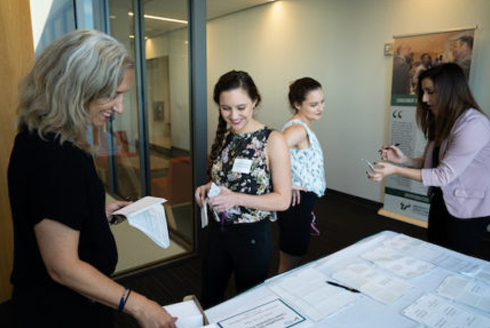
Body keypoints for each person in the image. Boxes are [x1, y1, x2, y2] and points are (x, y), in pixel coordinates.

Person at [8, 29, 177, 328]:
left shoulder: (38, 139)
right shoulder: (56, 156)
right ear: (77, 87)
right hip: (61, 312)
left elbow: (49, 210)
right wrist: (139, 305)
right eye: (113, 95)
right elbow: (62, 267)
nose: (119, 107)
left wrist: (93, 214)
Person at [368, 63, 490, 256]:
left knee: (454, 261)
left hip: (468, 207)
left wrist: (395, 171)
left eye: (430, 92)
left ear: (450, 91)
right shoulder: (444, 119)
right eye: (423, 92)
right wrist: (402, 160)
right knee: (434, 253)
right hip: (443, 199)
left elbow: (442, 175)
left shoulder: (474, 125)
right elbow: (430, 163)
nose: (424, 99)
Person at [195, 70, 291, 308]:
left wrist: (236, 199)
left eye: (241, 107)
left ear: (255, 101)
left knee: (247, 305)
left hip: (251, 236)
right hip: (219, 231)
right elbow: (229, 181)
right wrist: (209, 187)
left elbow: (283, 200)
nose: (233, 115)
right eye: (225, 108)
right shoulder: (229, 136)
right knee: (210, 296)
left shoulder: (272, 140)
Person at [277, 78, 326, 273]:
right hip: (296, 203)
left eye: (322, 101)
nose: (320, 108)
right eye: (313, 104)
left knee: (294, 256)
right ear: (297, 104)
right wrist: (285, 184)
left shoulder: (302, 126)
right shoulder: (297, 129)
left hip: (302, 202)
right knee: (290, 262)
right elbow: (268, 155)